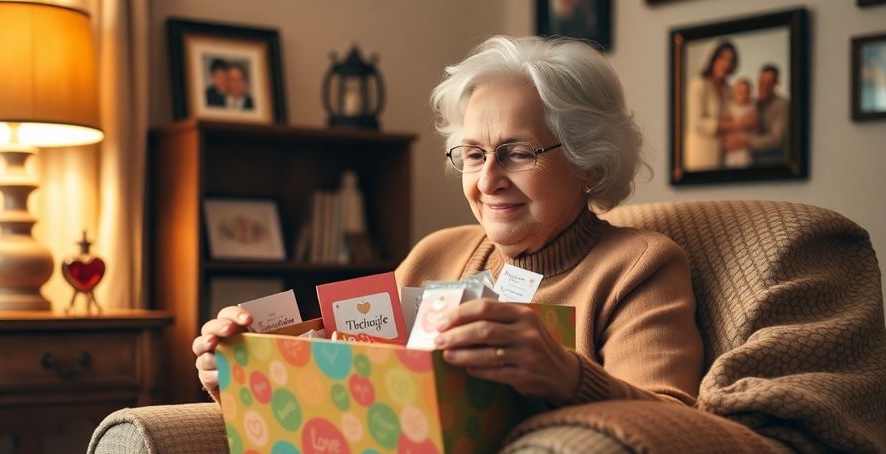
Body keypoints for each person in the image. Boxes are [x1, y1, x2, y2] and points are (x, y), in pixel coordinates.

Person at [194, 36, 703, 409]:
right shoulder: (435, 254)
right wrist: (239, 372)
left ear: (589, 161)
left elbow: (678, 424)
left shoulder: (639, 267)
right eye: (474, 154)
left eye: (517, 153)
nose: (489, 180)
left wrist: (569, 376)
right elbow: (345, 395)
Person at [684, 40, 739, 171]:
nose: (726, 63)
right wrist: (737, 124)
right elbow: (697, 123)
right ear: (713, 59)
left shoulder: (729, 89)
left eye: (731, 60)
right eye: (722, 58)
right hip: (700, 152)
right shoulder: (698, 84)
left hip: (722, 154)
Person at [723, 64, 789, 167]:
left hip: (773, 165)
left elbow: (776, 140)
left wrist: (744, 142)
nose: (764, 87)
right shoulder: (754, 103)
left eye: (769, 83)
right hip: (752, 162)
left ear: (776, 83)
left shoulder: (783, 105)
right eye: (762, 82)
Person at [722, 78, 758, 168]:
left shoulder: (751, 107)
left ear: (749, 93)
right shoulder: (729, 106)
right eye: (739, 91)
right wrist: (741, 123)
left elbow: (753, 124)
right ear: (734, 92)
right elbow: (725, 125)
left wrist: (735, 124)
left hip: (745, 144)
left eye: (745, 92)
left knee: (745, 161)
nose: (742, 94)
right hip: (731, 144)